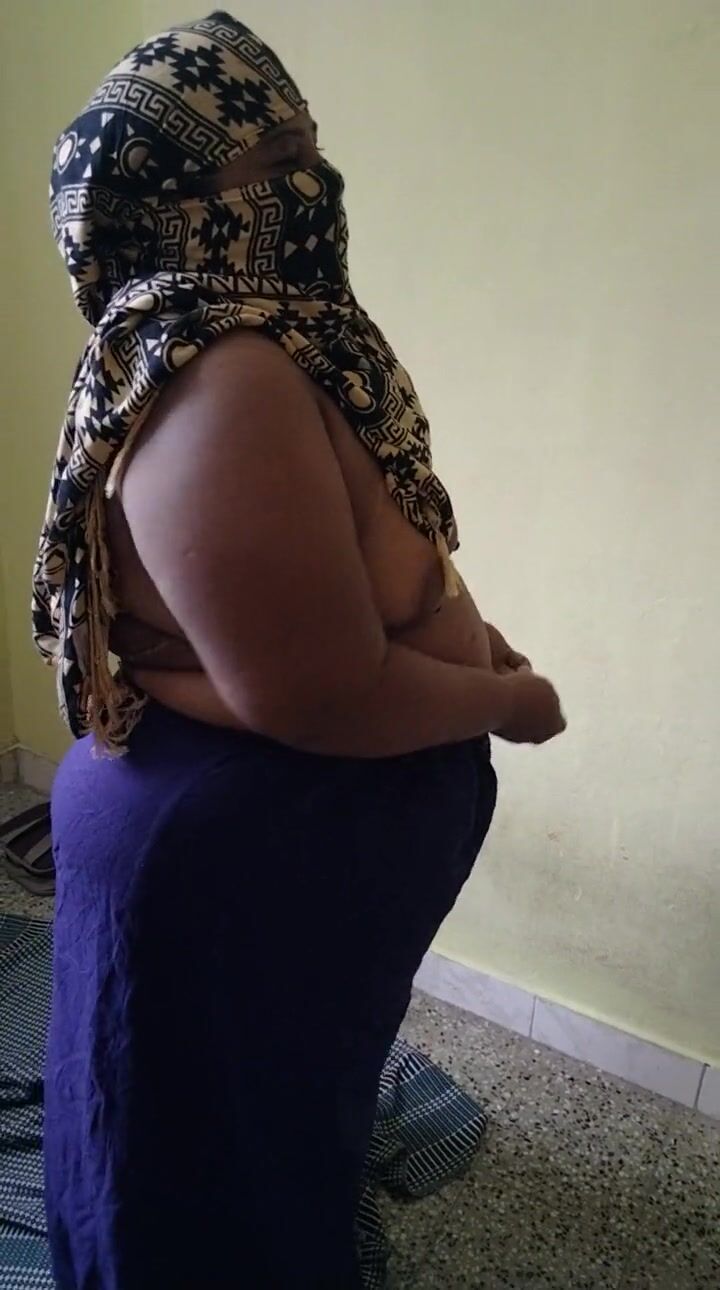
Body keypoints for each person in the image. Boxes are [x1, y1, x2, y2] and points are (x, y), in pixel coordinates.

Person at [34, 12, 565, 1289]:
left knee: (242, 1128)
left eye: (310, 146)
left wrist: (453, 640)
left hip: (258, 830)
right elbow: (318, 696)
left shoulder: (274, 336)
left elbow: (305, 625)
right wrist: (510, 697)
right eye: (273, 160)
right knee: (205, 1182)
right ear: (174, 205)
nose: (312, 183)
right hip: (236, 847)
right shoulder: (224, 379)